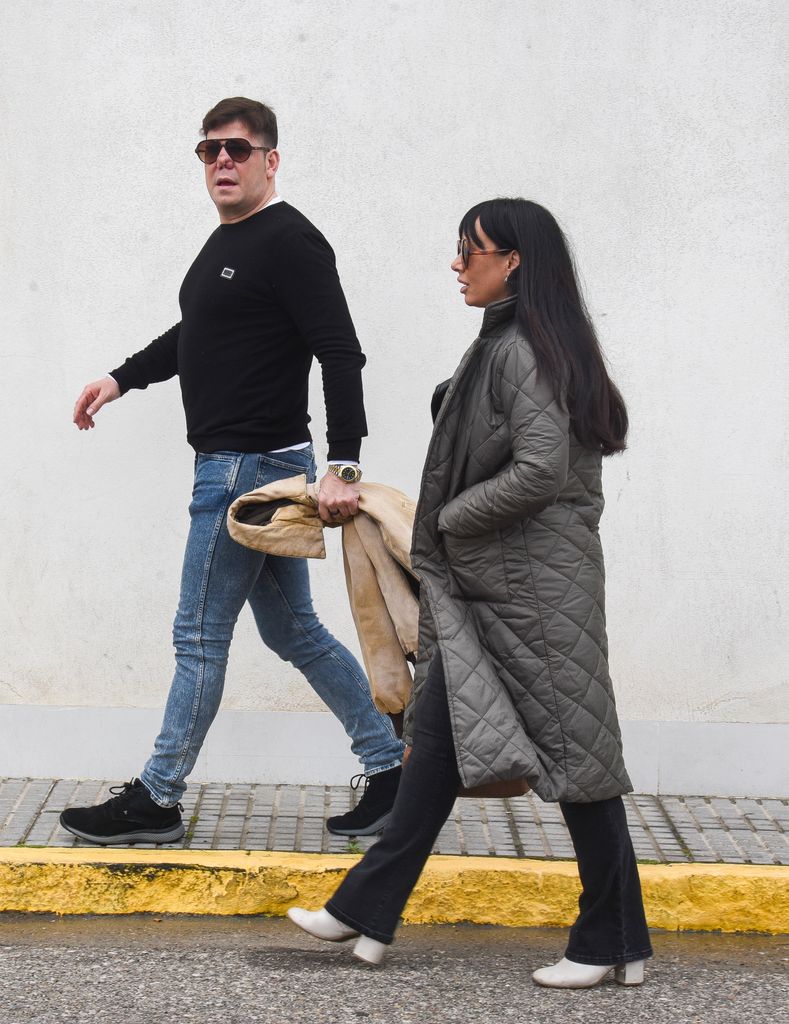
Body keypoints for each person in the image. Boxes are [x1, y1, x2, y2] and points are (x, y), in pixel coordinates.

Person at [287, 198, 653, 987]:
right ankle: (364, 909)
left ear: (513, 259)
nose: (457, 263)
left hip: (532, 590)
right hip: (493, 589)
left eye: (470, 250)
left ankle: (606, 942)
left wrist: (447, 518)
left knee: (577, 762)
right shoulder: (512, 342)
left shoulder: (522, 348)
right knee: (432, 752)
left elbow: (540, 470)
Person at [59, 97, 403, 845]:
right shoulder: (233, 245)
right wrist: (121, 379)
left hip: (250, 469)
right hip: (246, 464)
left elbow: (339, 351)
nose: (221, 160)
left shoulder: (290, 242)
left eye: (237, 149)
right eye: (209, 149)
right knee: (296, 634)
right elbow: (200, 332)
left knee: (198, 636)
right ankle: (393, 767)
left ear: (269, 161)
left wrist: (343, 464)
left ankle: (155, 797)